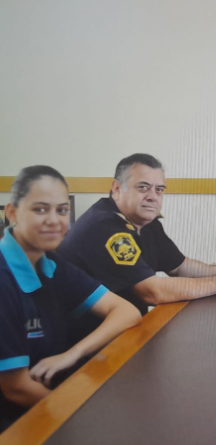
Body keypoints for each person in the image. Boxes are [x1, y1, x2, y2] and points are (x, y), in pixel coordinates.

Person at [0, 166, 141, 431]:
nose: (54, 220)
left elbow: (126, 311)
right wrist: (84, 420)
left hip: (52, 401)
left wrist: (73, 353)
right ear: (12, 213)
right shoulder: (4, 278)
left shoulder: (52, 263)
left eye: (62, 210)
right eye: (40, 209)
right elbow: (16, 389)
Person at [57, 154, 216, 319]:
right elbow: (152, 292)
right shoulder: (104, 227)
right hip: (85, 339)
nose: (153, 196)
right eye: (143, 187)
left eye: (159, 189)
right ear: (117, 189)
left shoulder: (146, 223)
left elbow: (180, 267)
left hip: (126, 330)